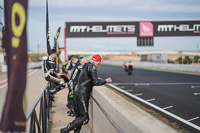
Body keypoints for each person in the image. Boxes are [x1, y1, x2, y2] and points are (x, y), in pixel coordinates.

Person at [60, 54, 112, 133]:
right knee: (85, 118)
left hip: (77, 91)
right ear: (97, 63)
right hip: (82, 94)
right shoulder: (93, 68)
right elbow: (96, 82)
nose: (99, 64)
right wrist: (106, 81)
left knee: (78, 116)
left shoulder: (86, 65)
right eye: (99, 63)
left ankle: (73, 131)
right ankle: (66, 129)